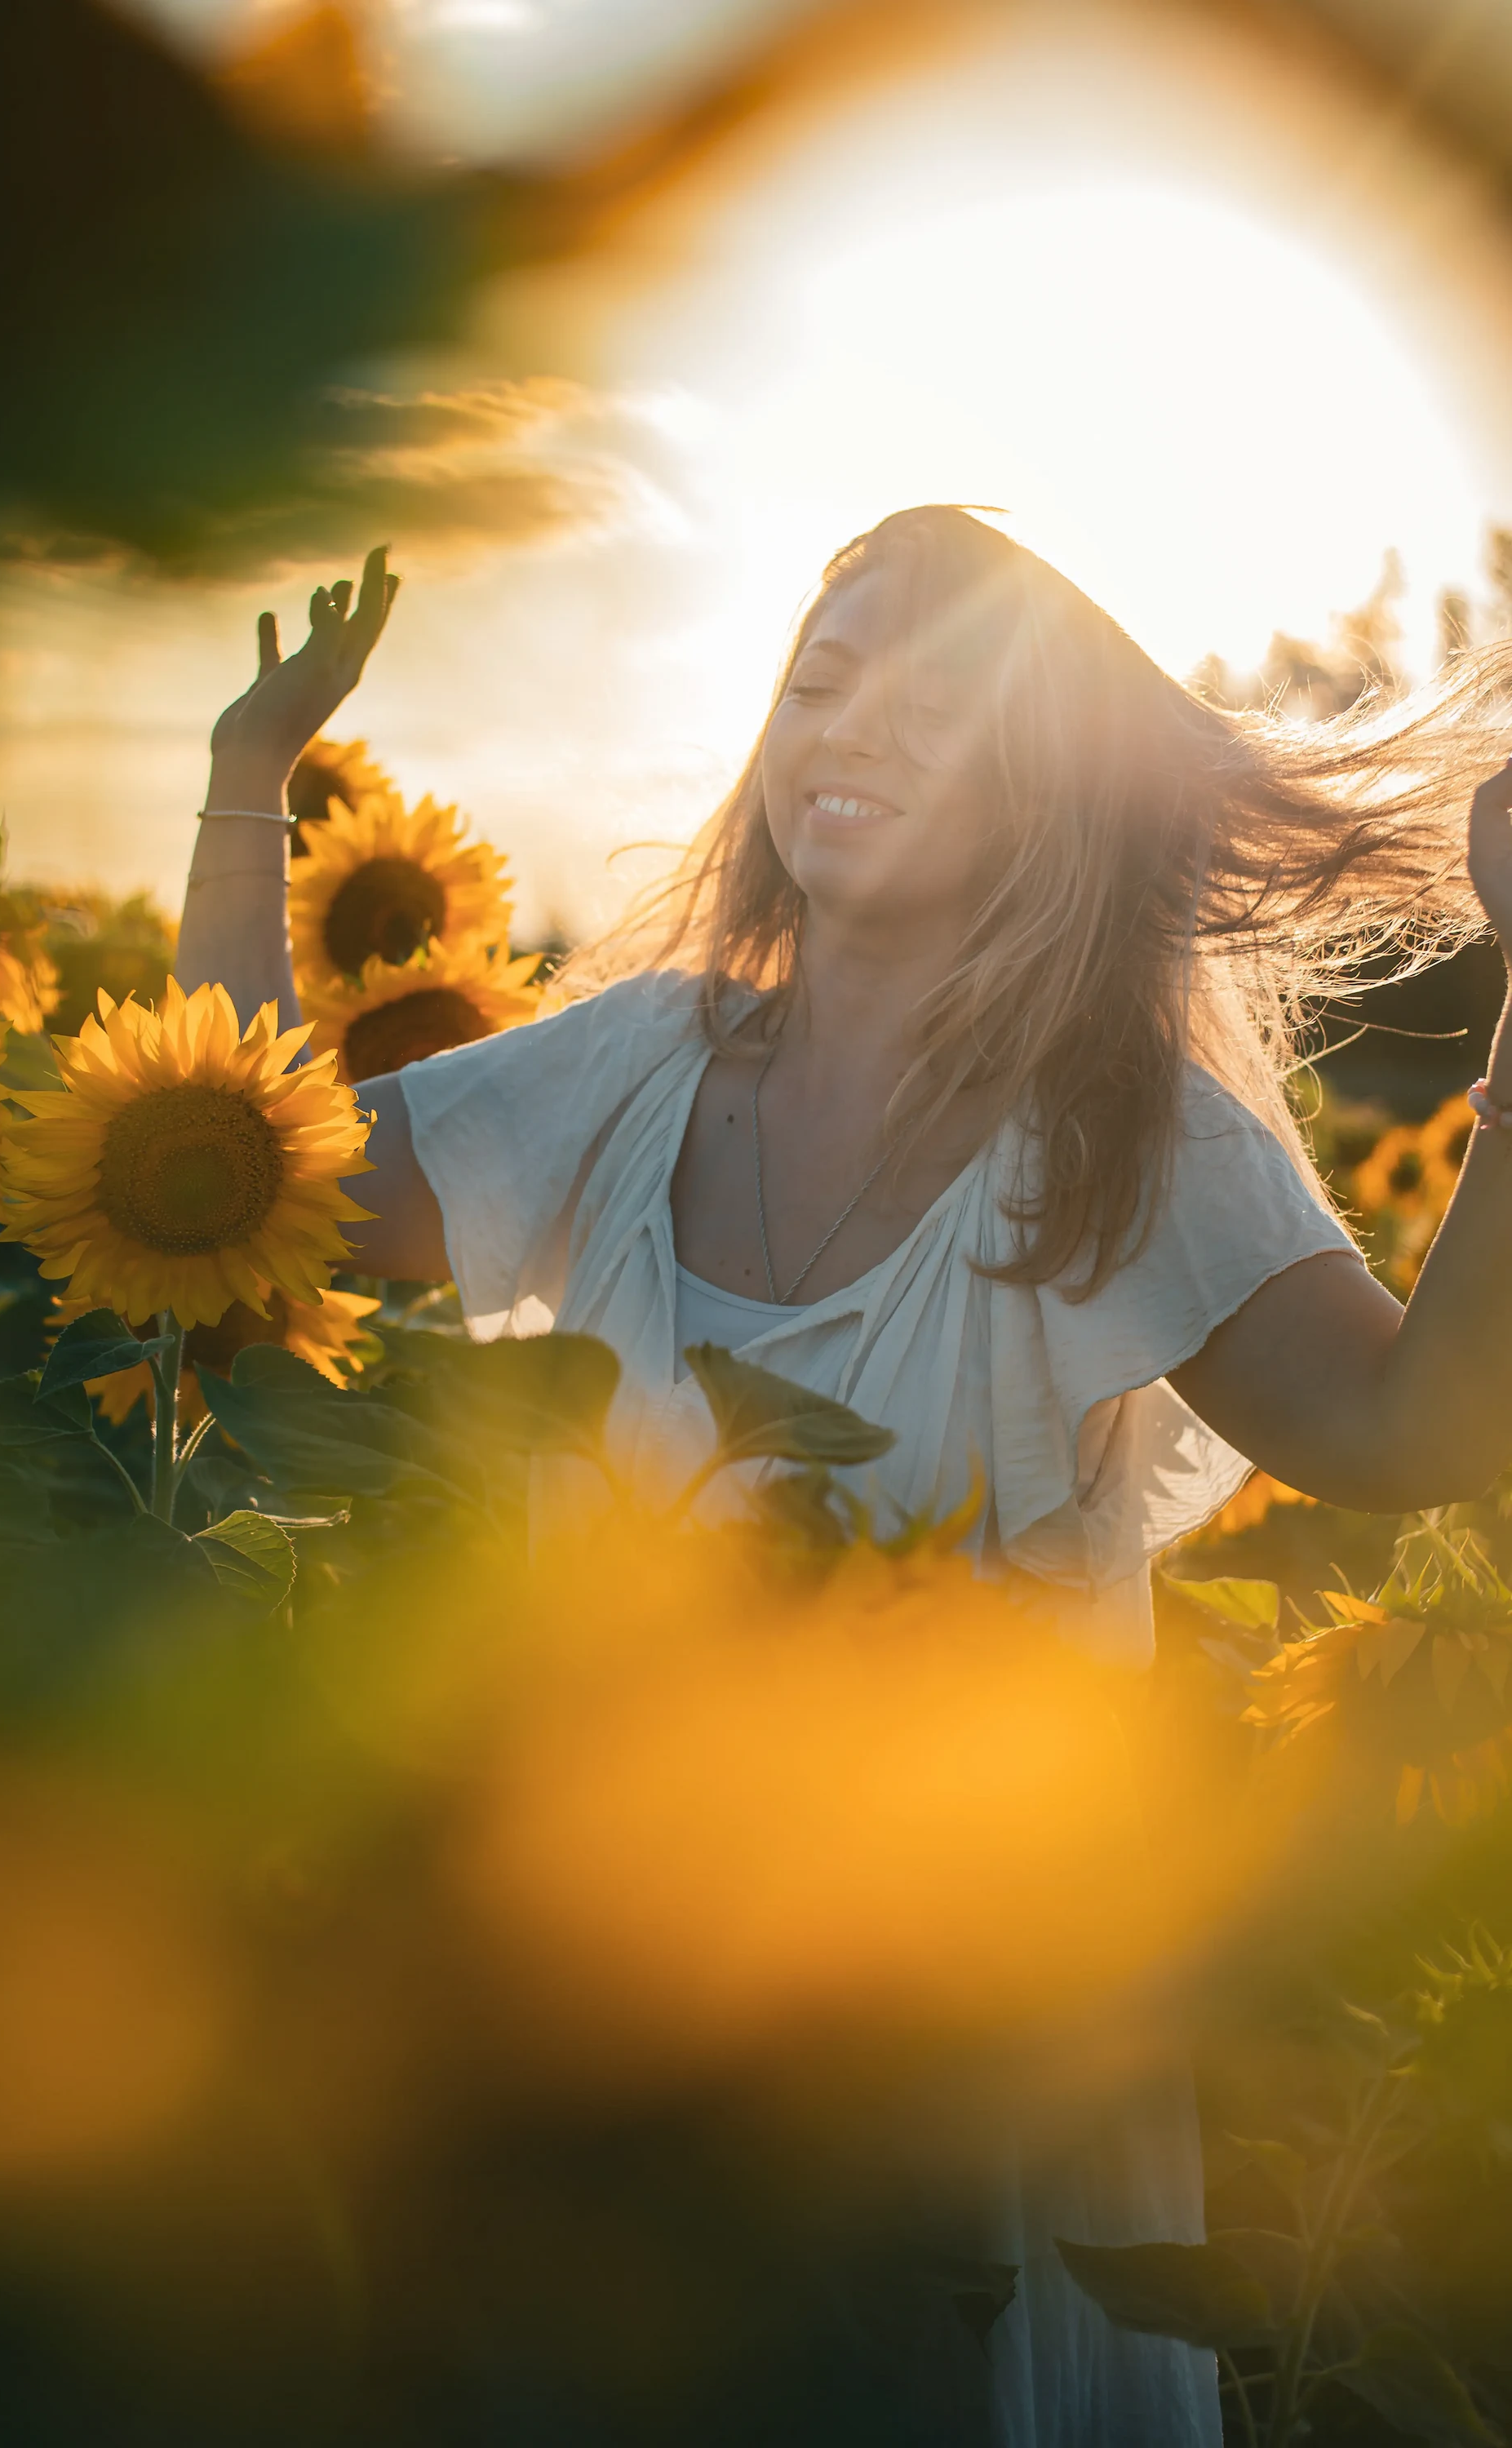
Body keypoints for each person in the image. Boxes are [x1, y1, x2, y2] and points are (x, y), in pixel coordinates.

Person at [176, 509, 1512, 2444]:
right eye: (821, 677)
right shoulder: (633, 1071)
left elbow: (1417, 1435)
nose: (851, 727)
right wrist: (246, 779)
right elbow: (259, 1172)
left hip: (962, 2039)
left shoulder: (1118, 1142)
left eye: (938, 699)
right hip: (633, 2023)